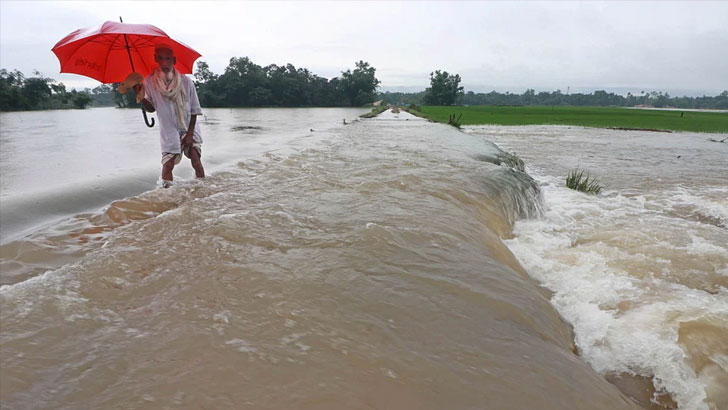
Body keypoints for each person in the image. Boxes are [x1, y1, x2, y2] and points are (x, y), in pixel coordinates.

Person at [133, 44, 204, 187]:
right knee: (168, 165)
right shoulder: (149, 82)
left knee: (196, 160)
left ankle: (203, 190)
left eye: (168, 59)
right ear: (155, 59)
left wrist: (189, 134)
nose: (165, 63)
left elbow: (195, 110)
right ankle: (166, 195)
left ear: (174, 60)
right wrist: (140, 96)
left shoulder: (186, 81)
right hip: (169, 129)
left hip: (189, 125)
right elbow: (151, 109)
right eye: (160, 59)